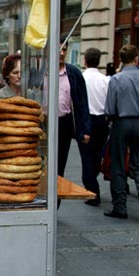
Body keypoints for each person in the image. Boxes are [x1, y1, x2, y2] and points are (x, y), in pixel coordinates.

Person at [104, 44, 139, 219]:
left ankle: (120, 206)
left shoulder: (116, 79)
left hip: (121, 122)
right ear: (136, 58)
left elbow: (109, 108)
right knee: (138, 164)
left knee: (118, 164)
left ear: (121, 59)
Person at [56, 39, 91, 182]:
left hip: (64, 122)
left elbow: (82, 102)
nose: (62, 53)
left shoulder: (73, 73)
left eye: (64, 49)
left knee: (59, 164)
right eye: (59, 49)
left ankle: (55, 200)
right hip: (43, 122)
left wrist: (85, 129)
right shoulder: (40, 71)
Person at [81, 47, 111, 206]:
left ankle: (92, 188)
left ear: (85, 60)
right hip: (102, 121)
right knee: (97, 154)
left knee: (87, 155)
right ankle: (92, 181)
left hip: (87, 120)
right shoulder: (106, 80)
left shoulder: (81, 78)